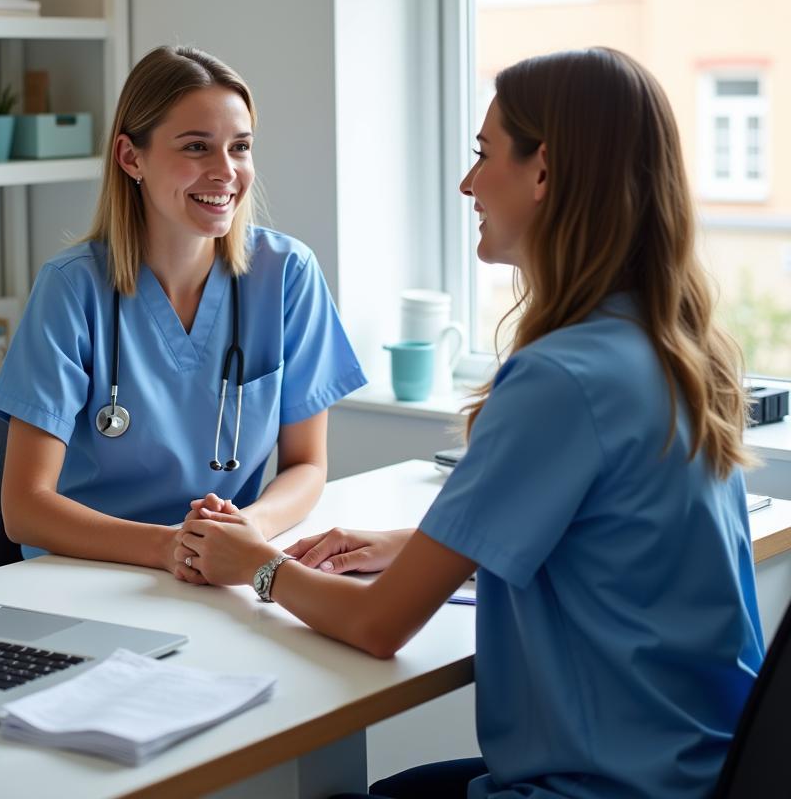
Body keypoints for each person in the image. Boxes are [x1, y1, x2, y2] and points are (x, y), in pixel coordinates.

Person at [177, 47, 765, 798]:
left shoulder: (560, 378)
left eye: (485, 155)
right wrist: (416, 547)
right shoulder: (670, 348)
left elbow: (378, 628)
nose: (468, 182)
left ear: (544, 172)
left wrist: (255, 567)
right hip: (696, 771)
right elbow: (605, 543)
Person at [0, 45, 366, 582]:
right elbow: (24, 507)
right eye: (196, 147)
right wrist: (171, 548)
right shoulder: (72, 289)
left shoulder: (286, 275)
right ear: (130, 157)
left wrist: (243, 534)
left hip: (221, 570)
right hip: (86, 577)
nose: (225, 172)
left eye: (240, 147)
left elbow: (307, 464)